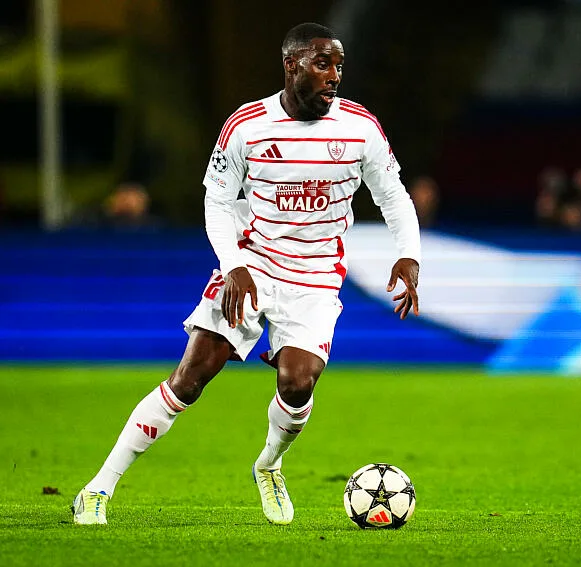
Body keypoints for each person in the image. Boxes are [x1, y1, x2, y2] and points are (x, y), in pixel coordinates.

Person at [72, 22, 421, 525]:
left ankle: (268, 464)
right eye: (323, 64)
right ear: (291, 64)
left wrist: (408, 254)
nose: (334, 76)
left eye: (339, 66)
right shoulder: (247, 126)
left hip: (317, 277)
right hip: (252, 266)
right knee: (189, 380)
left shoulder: (359, 127)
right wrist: (234, 266)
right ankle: (97, 489)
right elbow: (216, 199)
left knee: (299, 383)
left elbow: (393, 196)